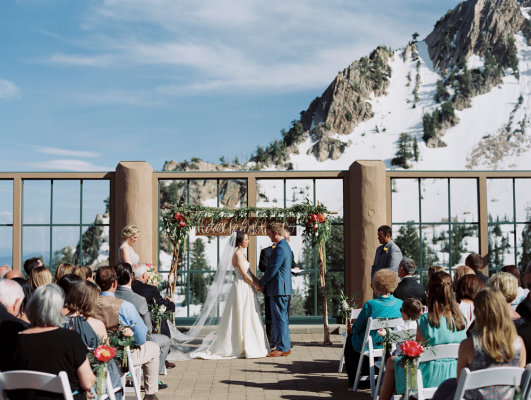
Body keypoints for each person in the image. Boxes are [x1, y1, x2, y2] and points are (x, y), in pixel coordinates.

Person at [379, 271, 467, 400]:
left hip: (428, 377)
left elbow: (417, 354)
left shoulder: (426, 320)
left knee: (392, 362)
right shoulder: (461, 319)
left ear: (430, 292)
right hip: (455, 375)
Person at [3, 284, 96, 400]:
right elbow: (87, 382)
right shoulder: (70, 339)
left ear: (31, 307)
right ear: (59, 309)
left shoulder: (14, 341)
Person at [432, 288, 526, 400]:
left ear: (478, 312)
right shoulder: (519, 343)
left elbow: (460, 382)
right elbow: (520, 380)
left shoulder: (469, 345)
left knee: (447, 386)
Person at [190, 231, 269, 359]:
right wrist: (255, 285)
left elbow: (249, 272)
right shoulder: (237, 254)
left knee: (248, 314)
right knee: (240, 314)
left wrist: (259, 283)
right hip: (241, 287)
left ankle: (248, 343)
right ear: (239, 242)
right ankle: (237, 345)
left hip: (246, 286)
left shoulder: (242, 254)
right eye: (246, 239)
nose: (248, 241)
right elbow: (243, 274)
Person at [93, 266, 164, 399]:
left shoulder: (89, 304)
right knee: (154, 348)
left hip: (97, 355)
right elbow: (141, 337)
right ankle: (150, 394)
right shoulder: (125, 306)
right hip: (122, 357)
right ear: (114, 283)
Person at [344, 269, 402, 389]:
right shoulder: (400, 303)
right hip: (393, 344)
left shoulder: (370, 304)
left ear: (376, 286)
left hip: (373, 344)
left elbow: (358, 327)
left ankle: (357, 380)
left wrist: (352, 330)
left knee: (350, 339)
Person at [115, 262, 174, 372]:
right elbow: (147, 331)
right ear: (131, 276)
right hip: (137, 341)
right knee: (165, 340)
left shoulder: (110, 296)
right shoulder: (141, 297)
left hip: (114, 341)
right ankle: (157, 374)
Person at [258, 229, 299, 347]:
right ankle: (283, 346)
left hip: (279, 289)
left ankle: (282, 347)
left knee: (280, 319)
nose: (269, 237)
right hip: (279, 288)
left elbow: (272, 269)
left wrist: (261, 283)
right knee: (280, 318)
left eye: (269, 234)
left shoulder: (281, 248)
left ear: (276, 233)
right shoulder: (282, 247)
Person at [132, 263, 176, 338]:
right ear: (143, 275)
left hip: (131, 324)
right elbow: (162, 305)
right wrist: (171, 303)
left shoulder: (128, 287)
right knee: (161, 318)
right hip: (148, 327)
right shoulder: (150, 289)